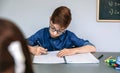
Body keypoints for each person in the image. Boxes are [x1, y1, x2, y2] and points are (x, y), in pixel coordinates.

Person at [27, 6, 96, 57]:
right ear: (50, 19)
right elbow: (20, 44)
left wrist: (73, 50)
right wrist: (32, 49)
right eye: (52, 28)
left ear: (65, 28)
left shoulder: (69, 36)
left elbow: (92, 48)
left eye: (60, 31)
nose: (54, 33)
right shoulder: (41, 34)